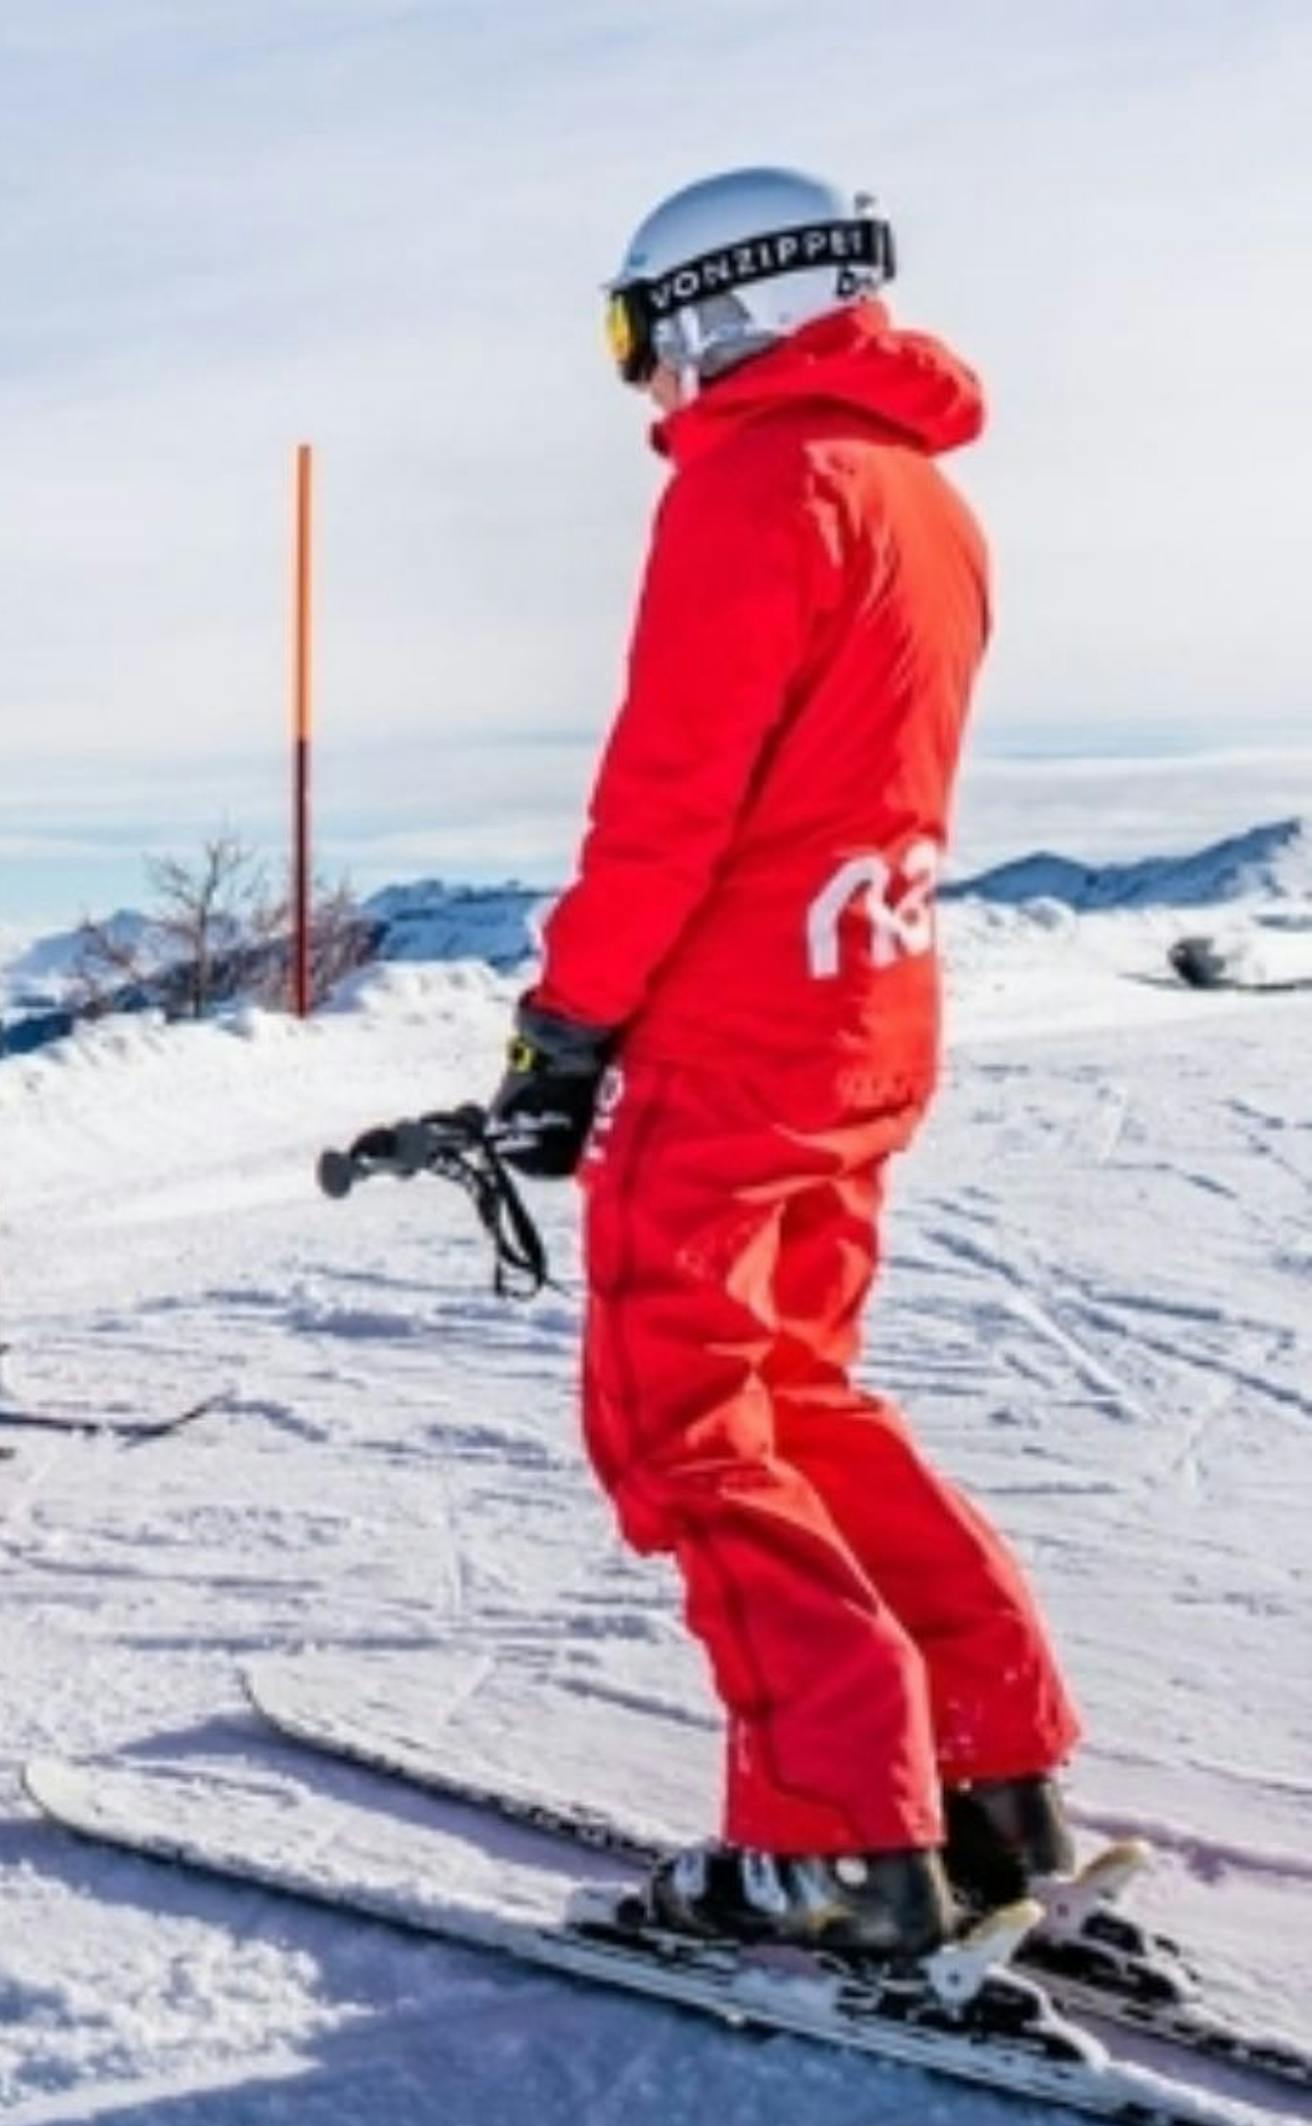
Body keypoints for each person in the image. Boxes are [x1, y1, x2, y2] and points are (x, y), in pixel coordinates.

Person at [486, 166, 1080, 1961]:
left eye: (633, 335)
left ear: (716, 307)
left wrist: (570, 1022)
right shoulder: (924, 496)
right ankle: (993, 1777)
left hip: (739, 1032)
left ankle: (835, 1837)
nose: (640, 382)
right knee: (799, 1395)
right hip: (865, 1016)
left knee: (685, 1422)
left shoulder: (759, 486)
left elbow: (673, 802)